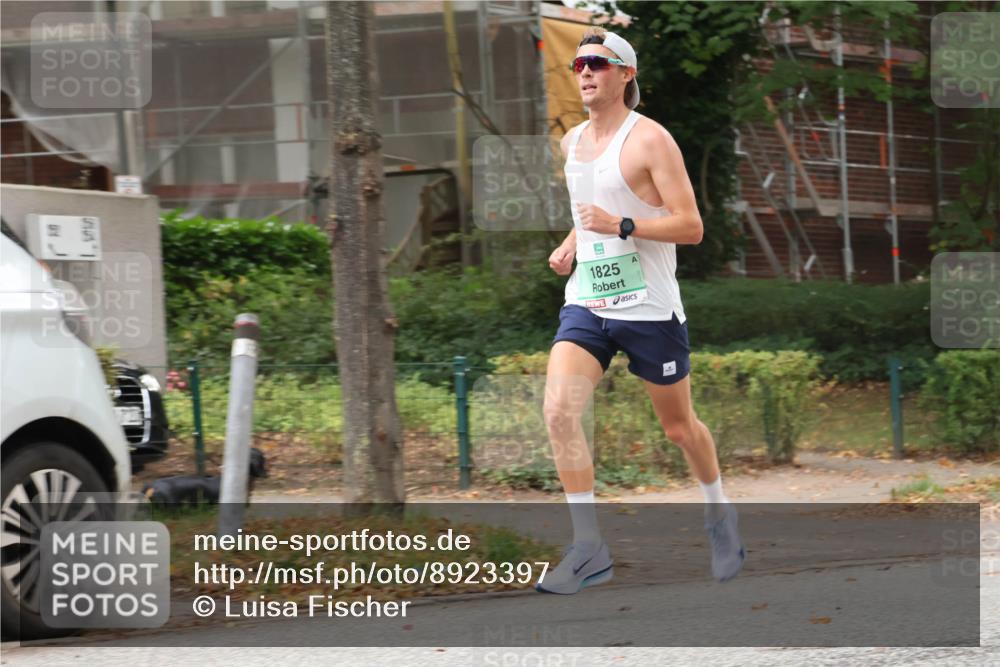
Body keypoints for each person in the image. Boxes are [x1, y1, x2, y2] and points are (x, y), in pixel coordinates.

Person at [535, 28, 745, 595]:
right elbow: (590, 215)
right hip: (588, 301)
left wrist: (622, 226)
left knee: (679, 428)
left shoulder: (651, 140)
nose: (585, 72)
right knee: (558, 411)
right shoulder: (572, 142)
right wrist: (572, 243)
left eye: (598, 64)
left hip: (649, 307)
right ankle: (588, 548)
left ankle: (719, 514)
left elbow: (692, 227)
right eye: (579, 63)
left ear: (626, 74)